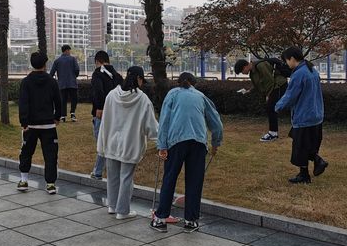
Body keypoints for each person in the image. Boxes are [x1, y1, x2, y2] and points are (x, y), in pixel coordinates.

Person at [150, 72, 223, 233]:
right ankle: (191, 221)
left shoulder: (172, 94)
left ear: (178, 83)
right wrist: (216, 142)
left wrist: (162, 145)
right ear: (193, 83)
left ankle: (160, 219)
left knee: (169, 179)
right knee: (195, 181)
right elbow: (216, 122)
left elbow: (164, 120)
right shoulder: (201, 96)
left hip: (176, 141)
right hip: (198, 142)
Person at [97, 66, 158, 220]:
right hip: (130, 143)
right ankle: (123, 211)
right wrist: (161, 138)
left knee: (112, 176)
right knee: (126, 177)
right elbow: (151, 125)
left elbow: (105, 121)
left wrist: (102, 142)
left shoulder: (112, 95)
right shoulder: (142, 99)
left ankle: (112, 206)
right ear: (139, 79)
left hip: (111, 141)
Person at [274, 47, 328, 184]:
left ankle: (305, 175)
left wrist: (278, 106)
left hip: (304, 115)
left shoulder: (299, 74)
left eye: (286, 60)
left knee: (300, 147)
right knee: (307, 143)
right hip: (316, 114)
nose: (286, 64)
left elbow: (290, 95)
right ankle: (317, 161)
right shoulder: (312, 70)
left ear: (292, 58)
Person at [18, 51, 62, 194]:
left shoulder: (26, 82)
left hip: (30, 125)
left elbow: (23, 103)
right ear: (45, 64)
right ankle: (50, 184)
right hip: (48, 125)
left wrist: (24, 123)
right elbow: (58, 101)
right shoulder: (52, 81)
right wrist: (57, 117)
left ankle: (24, 181)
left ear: (32, 64)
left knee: (26, 152)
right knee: (50, 155)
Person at [234, 58, 289, 142]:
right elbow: (258, 84)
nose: (243, 73)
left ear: (245, 67)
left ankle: (273, 133)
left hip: (279, 85)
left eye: (242, 71)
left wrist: (268, 95)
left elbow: (269, 81)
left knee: (271, 108)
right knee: (272, 108)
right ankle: (273, 132)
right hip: (274, 87)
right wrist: (249, 90)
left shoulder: (260, 66)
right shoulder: (252, 73)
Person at [90, 50, 123, 180]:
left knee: (102, 142)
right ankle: (103, 171)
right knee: (111, 142)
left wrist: (99, 107)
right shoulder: (117, 76)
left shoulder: (98, 74)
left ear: (97, 61)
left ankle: (98, 171)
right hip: (116, 113)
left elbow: (98, 91)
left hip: (102, 112)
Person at [49, 45, 81, 122]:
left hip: (62, 83)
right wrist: (74, 76)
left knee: (63, 100)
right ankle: (72, 114)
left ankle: (63, 116)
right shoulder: (73, 59)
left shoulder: (57, 61)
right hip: (72, 83)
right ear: (66, 50)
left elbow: (52, 73)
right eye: (69, 50)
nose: (70, 52)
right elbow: (77, 69)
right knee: (74, 99)